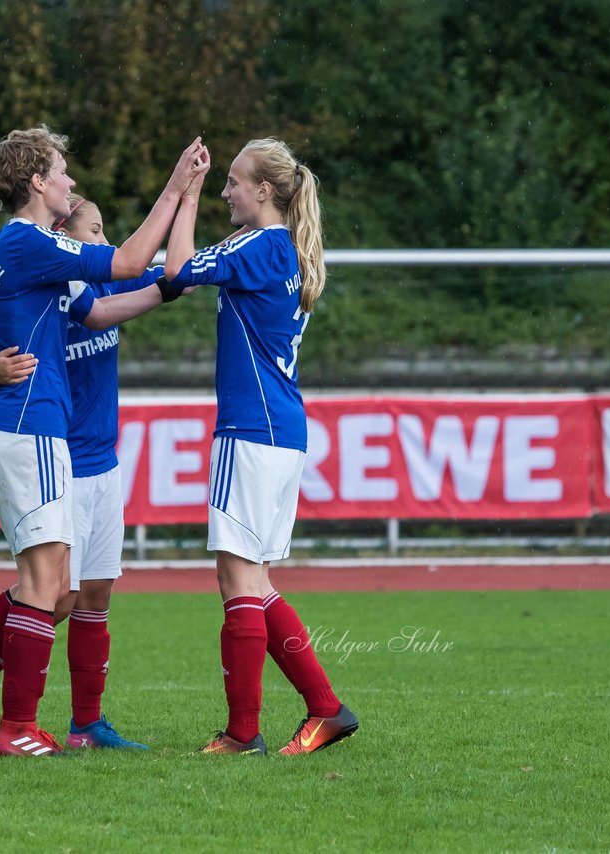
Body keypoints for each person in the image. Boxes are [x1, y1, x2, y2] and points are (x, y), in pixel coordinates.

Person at [0, 127, 208, 757]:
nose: (70, 181)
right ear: (37, 181)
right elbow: (123, 264)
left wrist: (166, 287)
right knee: (46, 587)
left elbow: (95, 310)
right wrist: (176, 187)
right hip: (28, 427)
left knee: (53, 586)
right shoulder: (26, 238)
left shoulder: (23, 247)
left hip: (23, 427)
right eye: (62, 171)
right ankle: (12, 727)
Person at [0, 194, 186, 752]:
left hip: (100, 459)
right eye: (95, 230)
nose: (105, 240)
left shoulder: (92, 288)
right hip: (58, 452)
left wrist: (192, 262)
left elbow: (163, 276)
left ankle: (86, 723)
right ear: (63, 235)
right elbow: (8, 340)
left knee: (95, 594)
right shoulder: (55, 281)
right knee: (54, 595)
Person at [163, 137, 358, 756]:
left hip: (251, 428)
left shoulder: (259, 243)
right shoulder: (282, 249)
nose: (227, 191)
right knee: (255, 578)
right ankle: (325, 709)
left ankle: (243, 733)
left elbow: (177, 271)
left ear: (265, 191)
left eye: (234, 182)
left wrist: (185, 193)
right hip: (282, 429)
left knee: (237, 578)